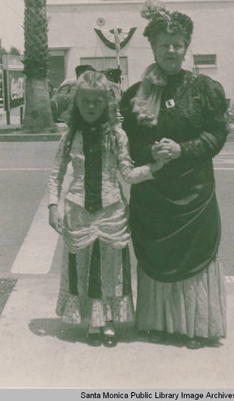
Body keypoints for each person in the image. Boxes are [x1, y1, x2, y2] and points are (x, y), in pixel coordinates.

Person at [120, 0, 229, 349]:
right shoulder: (135, 95)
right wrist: (150, 154)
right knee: (156, 258)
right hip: (153, 194)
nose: (171, 49)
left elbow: (215, 134)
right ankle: (157, 324)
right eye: (164, 44)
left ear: (186, 48)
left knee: (194, 258)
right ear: (152, 47)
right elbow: (128, 143)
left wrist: (183, 150)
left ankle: (196, 327)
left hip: (193, 194)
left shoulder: (204, 89)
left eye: (177, 44)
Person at [48, 70, 169, 347]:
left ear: (107, 103)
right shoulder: (69, 136)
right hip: (78, 211)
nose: (91, 107)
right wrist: (53, 206)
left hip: (111, 211)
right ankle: (93, 320)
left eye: (97, 101)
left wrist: (154, 167)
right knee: (84, 267)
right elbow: (56, 172)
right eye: (85, 101)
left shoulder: (117, 135)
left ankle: (110, 320)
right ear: (77, 103)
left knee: (111, 268)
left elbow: (126, 173)